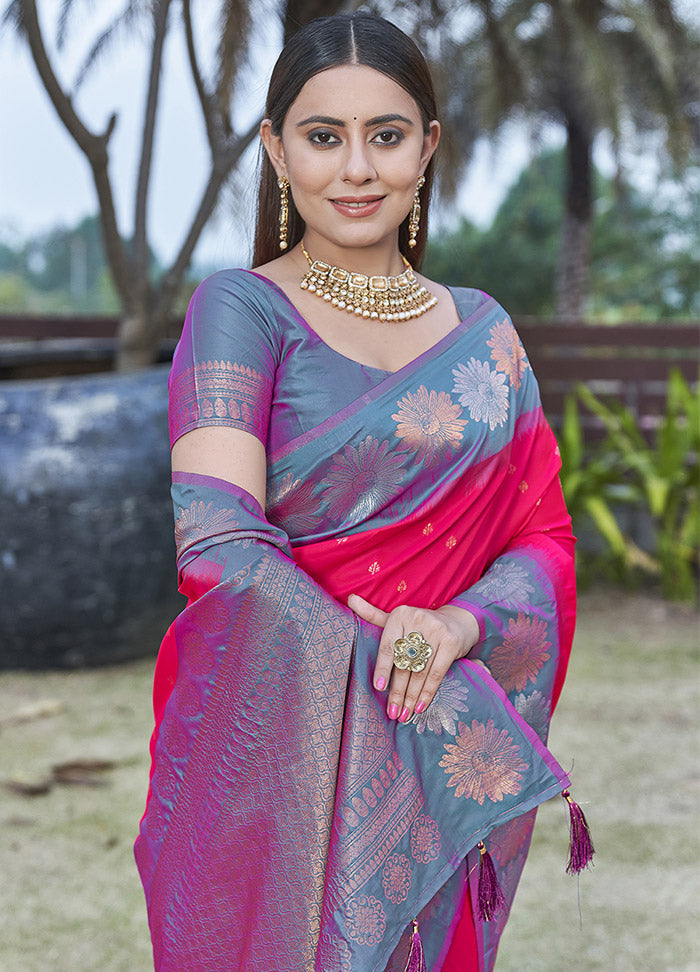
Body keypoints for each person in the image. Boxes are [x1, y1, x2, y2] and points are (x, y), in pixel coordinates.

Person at [135, 13, 589, 972]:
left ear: (427, 147)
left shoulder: (485, 334)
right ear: (276, 149)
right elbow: (218, 541)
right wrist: (380, 648)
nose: (355, 169)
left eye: (385, 135)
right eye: (322, 135)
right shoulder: (242, 310)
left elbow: (541, 535)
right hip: (285, 750)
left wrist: (457, 628)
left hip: (435, 736)